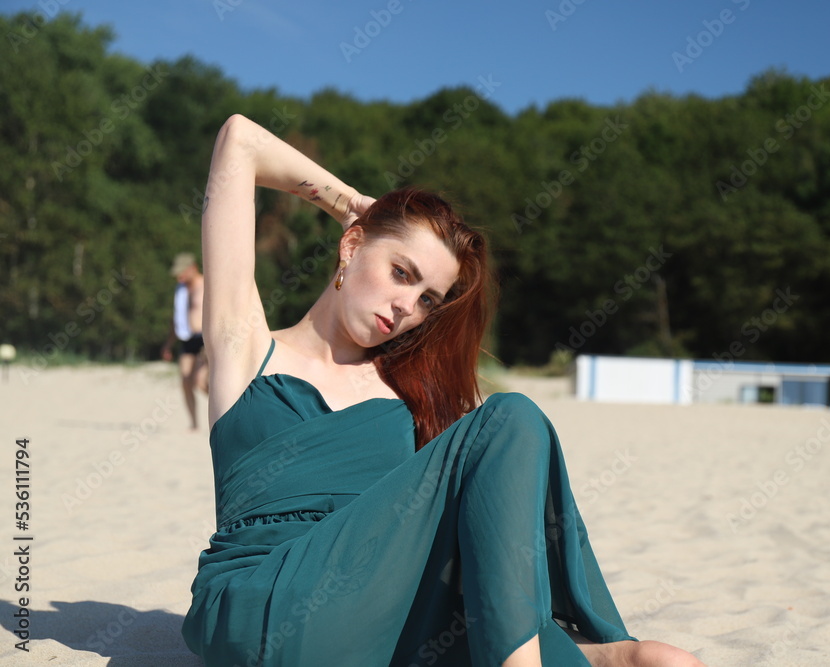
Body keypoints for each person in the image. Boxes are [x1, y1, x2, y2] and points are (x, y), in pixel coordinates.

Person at [181, 114, 705, 667]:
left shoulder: (411, 396)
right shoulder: (246, 347)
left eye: (429, 298)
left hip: (382, 618)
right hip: (264, 603)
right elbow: (239, 141)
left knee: (657, 660)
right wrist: (355, 206)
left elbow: (475, 525)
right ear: (351, 247)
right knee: (511, 417)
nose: (408, 306)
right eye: (402, 272)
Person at [162, 252, 209, 431]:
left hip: (205, 339)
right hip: (187, 338)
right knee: (185, 380)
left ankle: (225, 412)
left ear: (193, 268)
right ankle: (194, 423)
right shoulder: (180, 289)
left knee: (200, 381)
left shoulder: (207, 284)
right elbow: (176, 319)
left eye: (182, 272)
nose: (179, 276)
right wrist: (168, 344)